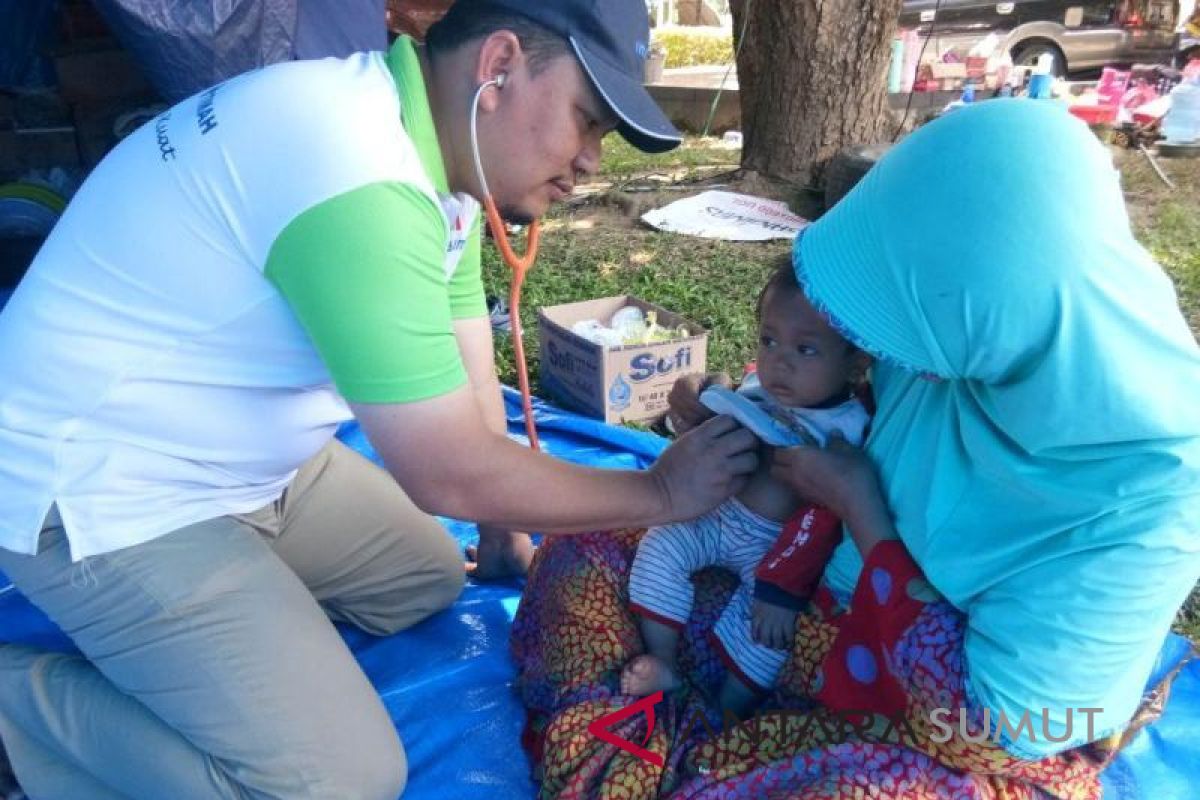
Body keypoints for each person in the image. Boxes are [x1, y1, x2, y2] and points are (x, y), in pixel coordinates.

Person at [0, 1, 759, 798]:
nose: (592, 161)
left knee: (425, 578)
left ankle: (231, 600)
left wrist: (501, 533)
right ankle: (18, 708)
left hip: (233, 453)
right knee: (336, 780)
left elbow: (471, 380)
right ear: (498, 66)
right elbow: (448, 472)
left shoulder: (437, 157)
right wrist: (662, 492)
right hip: (101, 486)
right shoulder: (355, 170)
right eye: (587, 120)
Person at [511, 99, 1200, 798]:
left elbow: (990, 727)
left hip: (938, 718)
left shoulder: (1153, 495)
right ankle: (695, 710)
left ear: (981, 303)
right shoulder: (962, 322)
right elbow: (819, 394)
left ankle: (690, 727)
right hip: (796, 592)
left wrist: (866, 517)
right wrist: (725, 408)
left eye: (889, 320)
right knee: (589, 542)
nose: (877, 347)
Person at [621, 260, 871, 715]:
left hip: (774, 549)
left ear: (856, 362)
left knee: (769, 632)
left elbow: (823, 519)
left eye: (806, 350)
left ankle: (729, 711)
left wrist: (782, 589)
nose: (780, 361)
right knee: (658, 548)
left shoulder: (846, 429)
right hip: (716, 515)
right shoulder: (761, 387)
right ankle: (663, 658)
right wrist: (703, 412)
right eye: (769, 340)